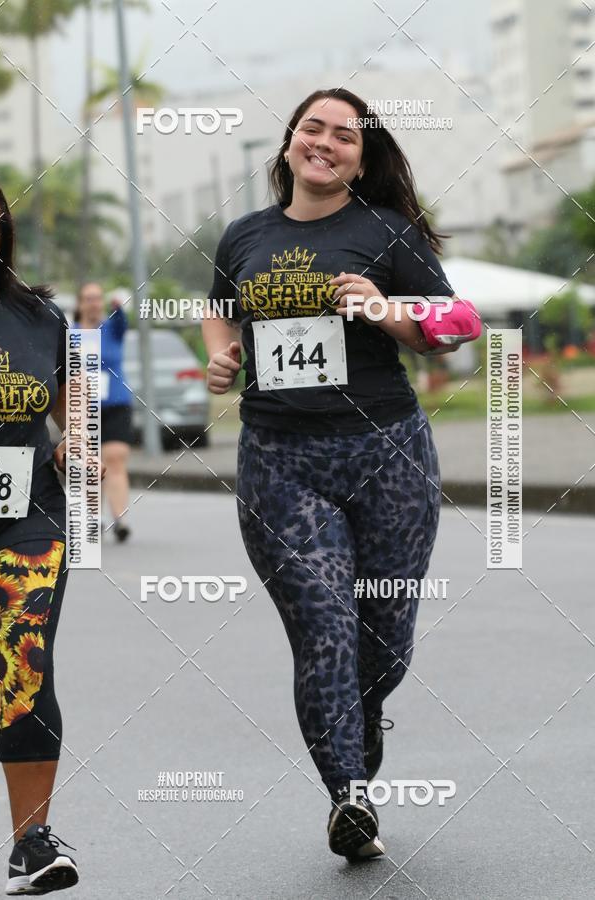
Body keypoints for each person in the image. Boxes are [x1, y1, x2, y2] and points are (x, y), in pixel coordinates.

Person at [203, 88, 481, 862]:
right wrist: (223, 356)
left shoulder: (385, 232)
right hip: (280, 462)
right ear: (290, 142)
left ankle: (355, 737)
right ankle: (349, 795)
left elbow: (456, 326)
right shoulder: (243, 235)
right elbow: (219, 307)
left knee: (384, 641)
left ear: (362, 160)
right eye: (312, 128)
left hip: (386, 454)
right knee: (324, 627)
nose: (326, 143)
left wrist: (384, 309)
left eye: (346, 137)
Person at [0, 182, 79, 893]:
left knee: (21, 662)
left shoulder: (38, 316)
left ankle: (32, 844)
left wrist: (76, 440)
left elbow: (76, 401)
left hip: (27, 516)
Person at [74, 284, 132, 542]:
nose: (94, 303)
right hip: (83, 406)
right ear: (80, 303)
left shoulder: (111, 329)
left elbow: (122, 320)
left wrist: (118, 305)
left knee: (115, 457)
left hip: (116, 403)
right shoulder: (71, 334)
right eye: (89, 299)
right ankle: (94, 517)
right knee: (90, 462)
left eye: (98, 298)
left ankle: (120, 519)